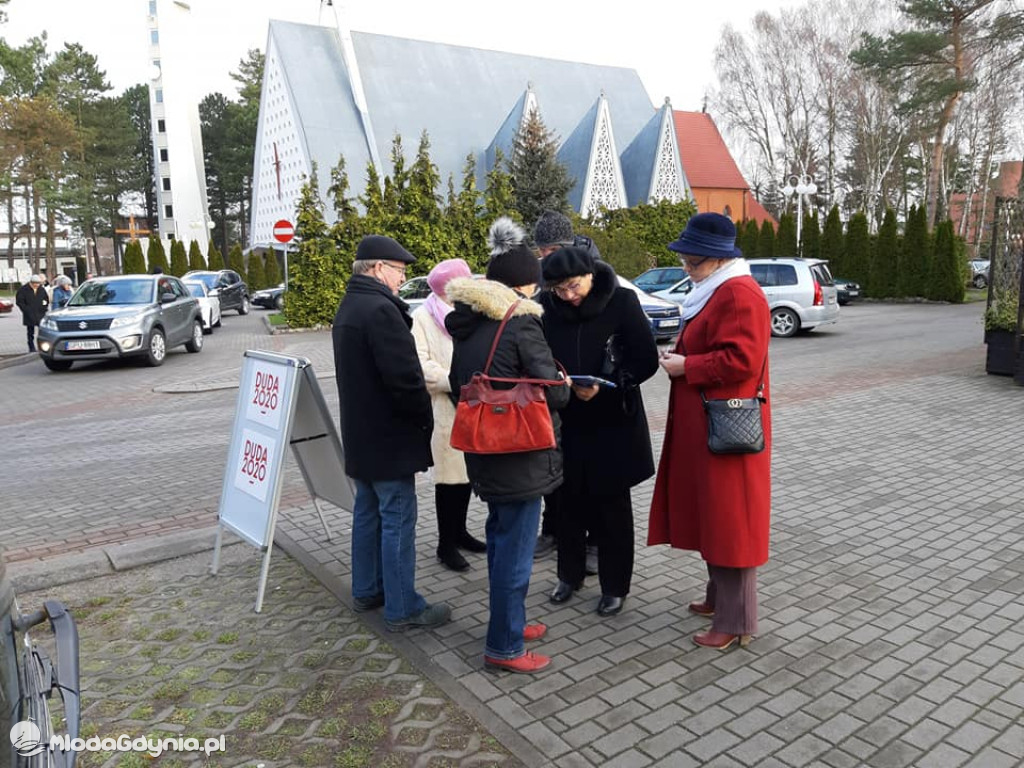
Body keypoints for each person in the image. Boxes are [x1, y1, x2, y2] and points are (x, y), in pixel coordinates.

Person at [446, 217, 571, 674]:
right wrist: (565, 383)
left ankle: (510, 623)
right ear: (524, 287)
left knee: (501, 540)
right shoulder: (520, 325)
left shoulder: (466, 323)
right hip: (520, 452)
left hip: (485, 448)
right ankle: (504, 647)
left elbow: (460, 383)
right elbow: (552, 390)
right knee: (514, 552)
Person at [647, 213, 772, 650]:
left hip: (727, 429)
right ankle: (718, 597)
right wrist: (680, 355)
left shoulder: (739, 293)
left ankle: (736, 622)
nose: (685, 267)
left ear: (717, 259)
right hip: (708, 423)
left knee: (732, 521)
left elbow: (743, 360)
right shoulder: (714, 289)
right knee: (714, 515)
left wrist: (688, 366)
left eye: (692, 261)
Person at [332, 235, 451, 632]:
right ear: (379, 268)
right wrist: (422, 419)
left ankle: (367, 589)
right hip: (389, 438)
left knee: (368, 512)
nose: (402, 279)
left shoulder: (350, 305)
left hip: (363, 436)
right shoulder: (381, 310)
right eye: (399, 271)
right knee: (397, 518)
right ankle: (403, 607)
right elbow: (405, 381)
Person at [540, 247, 659, 616]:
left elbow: (645, 359)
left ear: (590, 274)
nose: (568, 296)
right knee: (567, 503)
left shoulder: (621, 301)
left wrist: (610, 381)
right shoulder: (547, 307)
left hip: (612, 420)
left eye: (573, 286)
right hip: (567, 419)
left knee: (611, 508)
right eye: (559, 290)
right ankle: (569, 575)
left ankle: (614, 584)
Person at [530, 210, 602, 565]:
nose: (542, 257)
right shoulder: (544, 282)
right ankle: (554, 530)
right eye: (540, 251)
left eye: (546, 250)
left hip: (589, 392)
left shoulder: (596, 276)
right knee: (554, 467)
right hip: (555, 389)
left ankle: (594, 540)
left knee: (588, 473)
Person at [410, 258, 487, 572]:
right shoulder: (423, 317)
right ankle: (445, 543)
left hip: (473, 405)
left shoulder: (471, 312)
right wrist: (452, 381)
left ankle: (461, 531)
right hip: (444, 408)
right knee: (448, 480)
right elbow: (420, 363)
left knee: (467, 475)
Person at [15, 275, 49, 353]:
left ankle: (43, 346)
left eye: (39, 284)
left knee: (42, 331)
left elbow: (45, 299)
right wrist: (26, 310)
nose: (37, 285)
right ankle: (31, 347)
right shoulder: (23, 290)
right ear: (32, 283)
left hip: (40, 313)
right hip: (29, 314)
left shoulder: (41, 289)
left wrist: (44, 307)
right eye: (36, 284)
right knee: (30, 332)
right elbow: (20, 302)